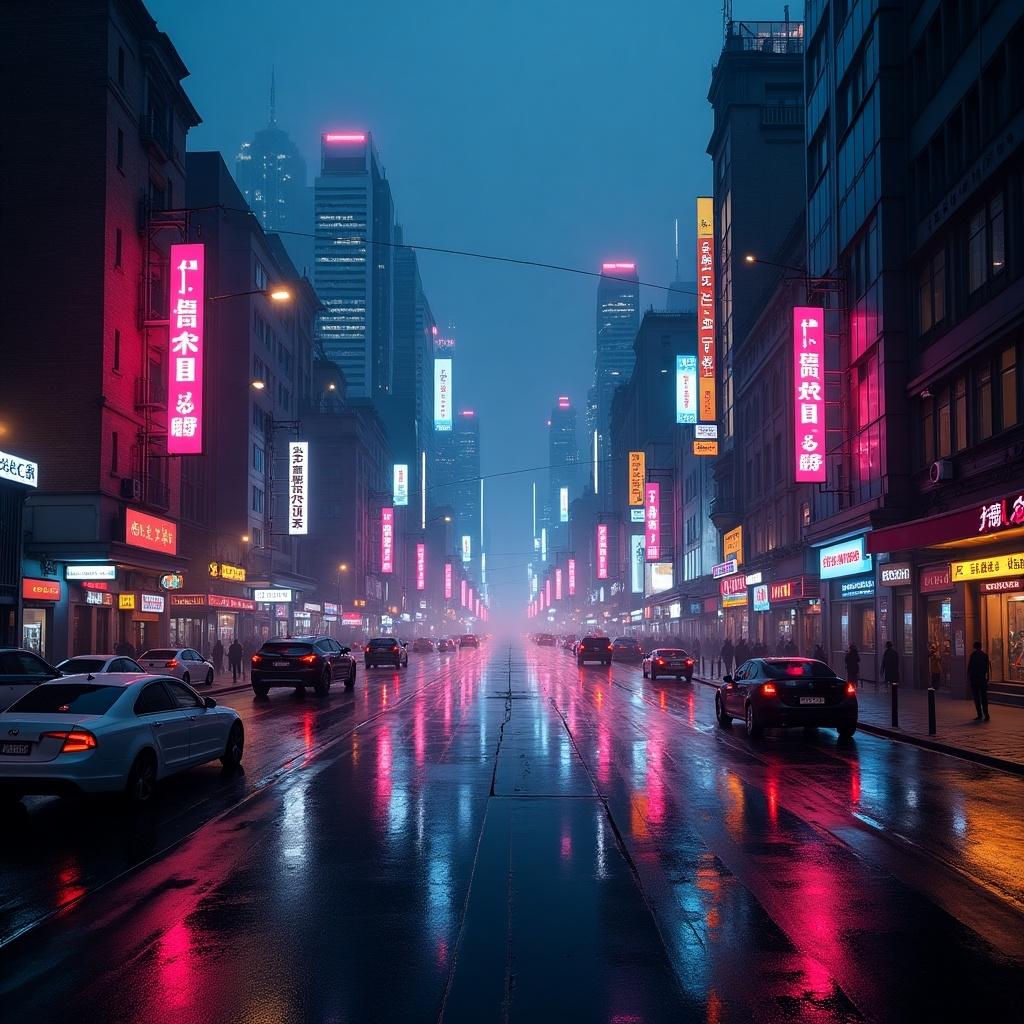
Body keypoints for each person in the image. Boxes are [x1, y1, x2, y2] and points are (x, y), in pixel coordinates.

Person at [967, 640, 990, 721]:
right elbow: (987, 667)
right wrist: (987, 677)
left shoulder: (973, 655)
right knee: (984, 697)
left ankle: (979, 714)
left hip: (975, 679)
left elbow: (970, 667)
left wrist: (969, 677)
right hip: (982, 678)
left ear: (974, 647)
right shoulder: (985, 655)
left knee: (976, 697)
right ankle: (986, 714)